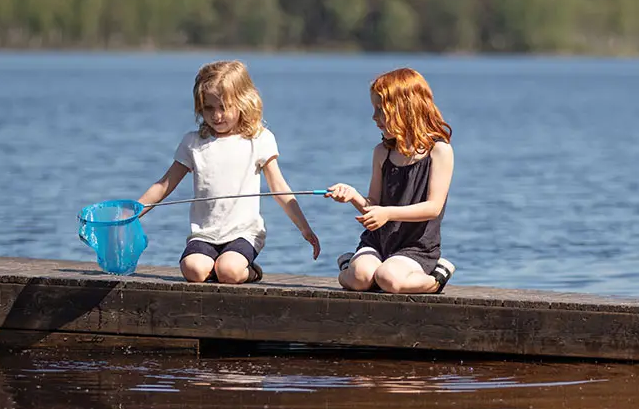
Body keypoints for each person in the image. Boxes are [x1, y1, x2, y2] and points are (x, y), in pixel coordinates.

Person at [137, 60, 321, 284]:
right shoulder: (193, 143)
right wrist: (132, 214)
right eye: (209, 108)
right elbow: (164, 185)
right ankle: (213, 266)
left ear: (243, 102)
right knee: (192, 270)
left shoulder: (259, 139)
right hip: (205, 234)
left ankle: (251, 271)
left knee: (230, 272)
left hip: (243, 233)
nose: (216, 115)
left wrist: (304, 228)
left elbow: (278, 188)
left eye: (224, 107)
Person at [325, 68, 455, 294]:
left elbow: (433, 208)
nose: (374, 117)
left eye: (380, 110)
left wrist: (388, 213)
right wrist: (353, 196)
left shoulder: (439, 151)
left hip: (415, 247)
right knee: (359, 278)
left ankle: (436, 277)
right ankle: (349, 264)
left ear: (406, 109)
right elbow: (373, 207)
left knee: (389, 279)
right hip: (378, 243)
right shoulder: (381, 153)